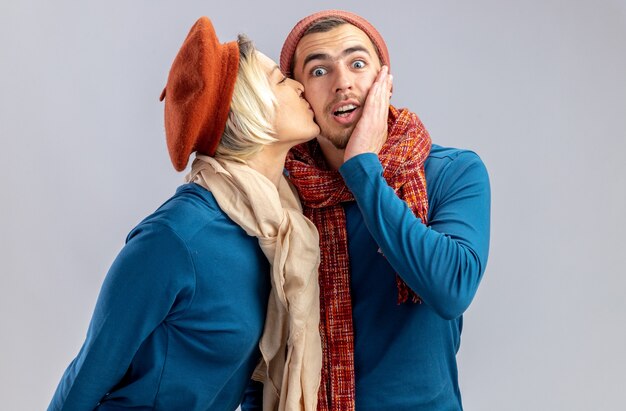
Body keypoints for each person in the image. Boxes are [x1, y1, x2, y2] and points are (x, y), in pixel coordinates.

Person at [48, 16, 322, 411]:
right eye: (281, 80)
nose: (299, 85)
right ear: (251, 114)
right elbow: (87, 375)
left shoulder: (274, 233)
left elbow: (246, 382)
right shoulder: (177, 237)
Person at [242, 9, 491, 411]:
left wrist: (363, 172)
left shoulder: (453, 172)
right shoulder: (279, 194)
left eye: (357, 64)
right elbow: (259, 349)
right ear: (299, 93)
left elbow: (451, 288)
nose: (343, 83)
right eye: (319, 71)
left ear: (384, 82)